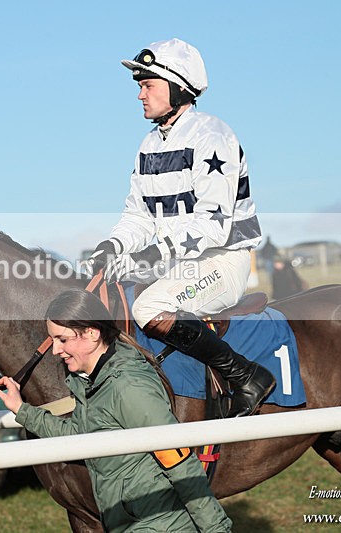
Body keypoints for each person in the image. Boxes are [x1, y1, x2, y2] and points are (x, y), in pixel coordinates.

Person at [86, 38, 275, 417]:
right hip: (178, 262)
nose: (140, 94)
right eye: (139, 85)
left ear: (176, 87)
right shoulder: (148, 145)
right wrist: (113, 246)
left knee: (149, 306)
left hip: (223, 261)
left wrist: (155, 253)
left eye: (147, 85)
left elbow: (213, 224)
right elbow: (138, 215)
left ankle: (245, 376)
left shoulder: (212, 135)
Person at [0, 289, 232, 533]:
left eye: (62, 339)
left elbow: (181, 465)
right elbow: (80, 435)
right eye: (53, 340)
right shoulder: (91, 381)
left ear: (92, 333)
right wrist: (21, 409)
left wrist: (216, 529)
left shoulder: (128, 387)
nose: (55, 350)